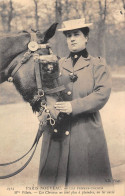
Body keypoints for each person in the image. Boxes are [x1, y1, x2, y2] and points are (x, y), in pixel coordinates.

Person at [38, 18, 113, 186]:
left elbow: (102, 94)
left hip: (85, 131)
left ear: (86, 37)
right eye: (69, 35)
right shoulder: (56, 64)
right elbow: (47, 92)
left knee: (85, 180)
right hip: (58, 131)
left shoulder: (97, 64)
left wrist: (73, 106)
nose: (72, 39)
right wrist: (45, 108)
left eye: (76, 35)